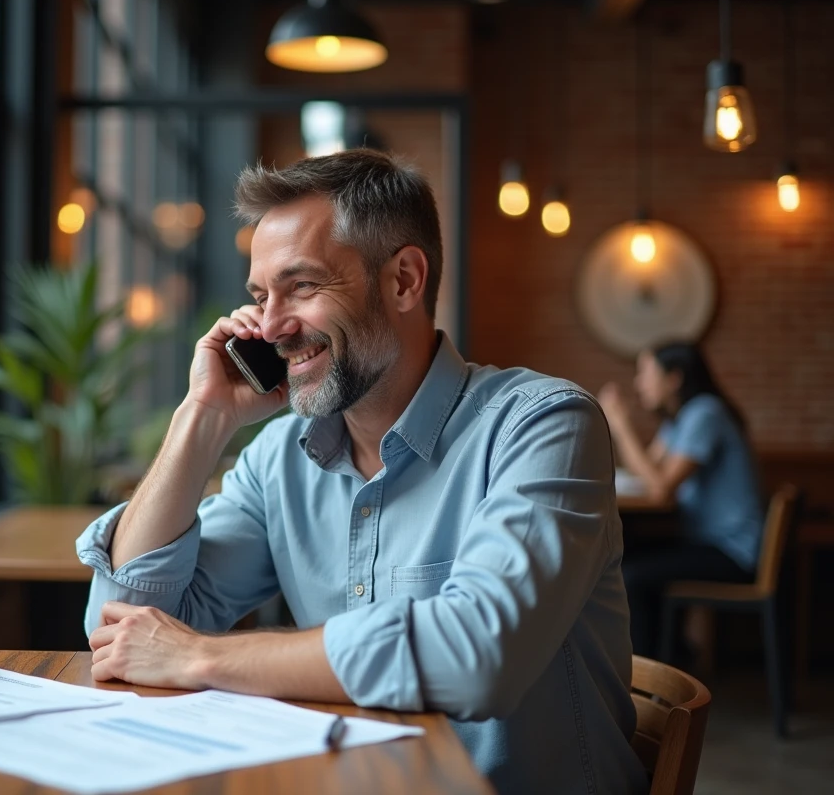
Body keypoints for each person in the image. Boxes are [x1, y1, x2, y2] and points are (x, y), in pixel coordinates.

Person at [76, 149, 646, 793]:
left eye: (302, 286)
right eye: (260, 296)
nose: (271, 327)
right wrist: (201, 417)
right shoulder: (278, 458)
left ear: (403, 280)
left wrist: (198, 656)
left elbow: (477, 655)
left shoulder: (543, 424)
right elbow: (119, 632)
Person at [600, 342, 764, 657]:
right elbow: (646, 472)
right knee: (624, 556)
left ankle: (648, 677)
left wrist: (621, 426)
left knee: (631, 573)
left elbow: (660, 488)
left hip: (732, 550)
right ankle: (670, 658)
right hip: (708, 542)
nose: (639, 384)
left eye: (646, 374)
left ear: (674, 378)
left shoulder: (705, 413)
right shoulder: (678, 421)